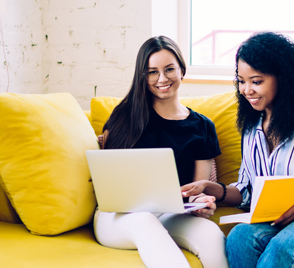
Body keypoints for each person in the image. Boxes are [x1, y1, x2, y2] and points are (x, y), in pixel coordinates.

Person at [181, 32, 294, 268]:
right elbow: (247, 191)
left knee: (282, 248)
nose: (246, 90)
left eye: (256, 81)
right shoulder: (250, 128)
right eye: (241, 81)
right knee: (239, 238)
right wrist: (212, 189)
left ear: (283, 78)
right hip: (276, 217)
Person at [95, 36, 228, 268]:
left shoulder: (203, 126)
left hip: (172, 214)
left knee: (211, 234)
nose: (162, 79)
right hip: (118, 218)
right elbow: (108, 176)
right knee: (145, 220)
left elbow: (197, 188)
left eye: (169, 70)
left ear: (182, 71)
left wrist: (201, 202)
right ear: (143, 76)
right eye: (152, 72)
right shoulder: (125, 116)